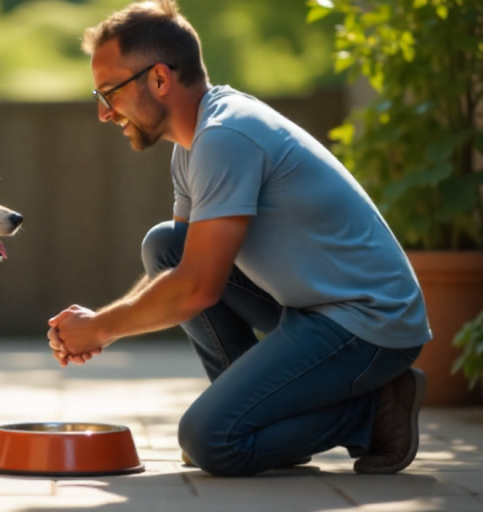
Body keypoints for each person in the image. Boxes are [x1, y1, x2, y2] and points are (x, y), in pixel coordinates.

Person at [46, 0, 431, 477]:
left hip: (367, 324)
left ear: (160, 80)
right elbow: (182, 264)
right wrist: (101, 322)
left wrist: (101, 327)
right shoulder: (193, 147)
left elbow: (198, 288)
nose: (104, 113)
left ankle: (373, 412)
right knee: (164, 245)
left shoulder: (226, 136)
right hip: (312, 309)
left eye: (110, 93)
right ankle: (259, 420)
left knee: (211, 441)